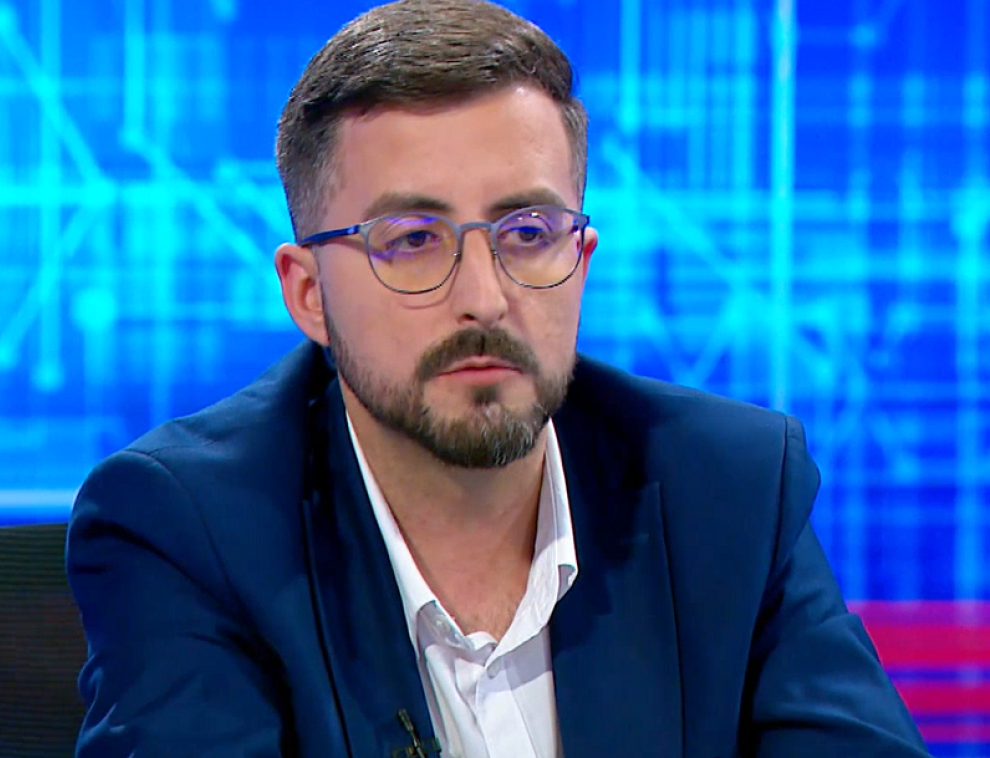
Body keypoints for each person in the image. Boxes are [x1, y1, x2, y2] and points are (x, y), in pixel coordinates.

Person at [66, 1, 931, 756]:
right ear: (309, 294)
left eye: (527, 233)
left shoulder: (730, 491)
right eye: (412, 240)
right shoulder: (188, 530)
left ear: (581, 258)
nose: (484, 297)